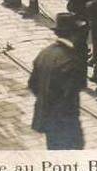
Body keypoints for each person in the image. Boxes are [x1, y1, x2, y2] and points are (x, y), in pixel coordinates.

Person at [28, 12, 89, 150]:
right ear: (74, 34)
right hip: (65, 125)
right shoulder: (71, 60)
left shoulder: (44, 53)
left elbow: (33, 85)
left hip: (46, 119)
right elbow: (70, 97)